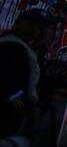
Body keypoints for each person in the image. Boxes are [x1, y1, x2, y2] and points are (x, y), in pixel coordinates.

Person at [0, 9, 55, 141]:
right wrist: (27, 108)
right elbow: (9, 90)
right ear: (34, 29)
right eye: (48, 29)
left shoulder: (24, 48)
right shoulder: (12, 48)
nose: (51, 33)